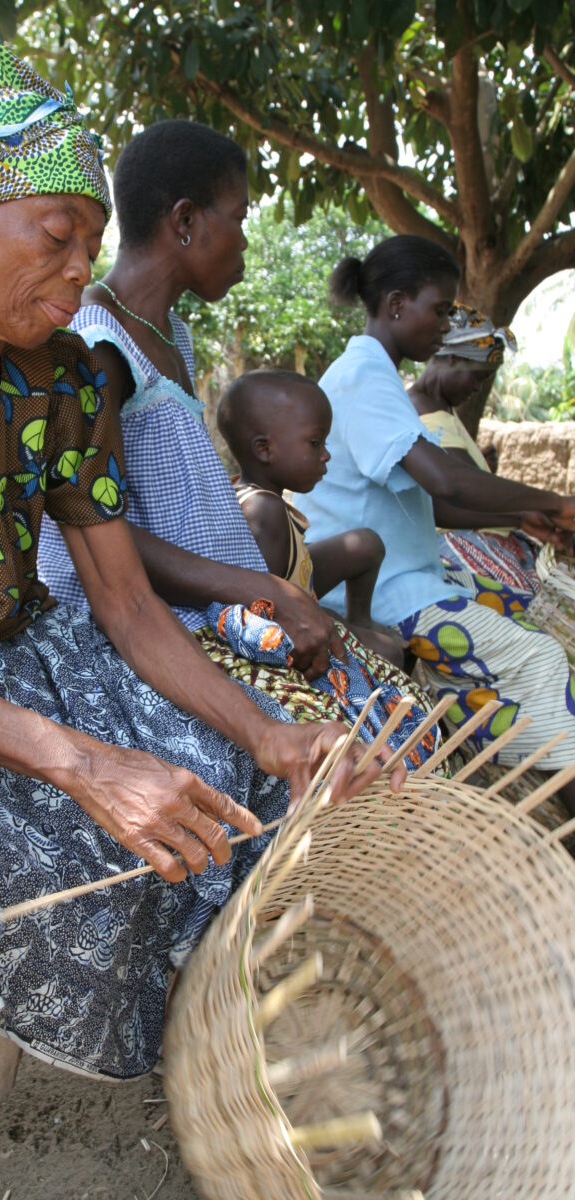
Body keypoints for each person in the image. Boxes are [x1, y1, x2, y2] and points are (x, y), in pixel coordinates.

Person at [0, 10, 395, 1198]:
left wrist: (267, 731)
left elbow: (123, 604)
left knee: (248, 774)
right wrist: (83, 764)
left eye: (86, 247)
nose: (76, 275)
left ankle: (223, 1066)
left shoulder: (62, 379)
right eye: (54, 238)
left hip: (15, 649)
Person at [37, 120, 438, 763]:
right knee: (352, 747)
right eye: (240, 217)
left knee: (393, 703)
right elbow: (95, 534)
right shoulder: (99, 344)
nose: (246, 240)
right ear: (187, 221)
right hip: (143, 630)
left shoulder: (171, 336)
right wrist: (270, 591)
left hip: (211, 611)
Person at [291, 234, 575, 808]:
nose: (446, 326)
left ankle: (514, 756)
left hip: (409, 577)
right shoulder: (366, 381)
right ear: (397, 305)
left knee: (526, 608)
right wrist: (555, 502)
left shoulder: (374, 377)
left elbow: (434, 503)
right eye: (440, 310)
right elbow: (445, 480)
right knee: (541, 658)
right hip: (385, 594)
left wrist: (523, 512)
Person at [216, 368, 405, 667]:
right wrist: (326, 621)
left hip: (299, 589)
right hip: (287, 624)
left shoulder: (256, 493)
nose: (326, 455)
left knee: (365, 544)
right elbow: (270, 612)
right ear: (264, 449)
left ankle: (360, 620)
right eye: (316, 442)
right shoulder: (265, 510)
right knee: (391, 653)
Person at [408, 302, 558, 592]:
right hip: (464, 545)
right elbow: (456, 496)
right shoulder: (425, 414)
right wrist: (533, 511)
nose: (478, 388)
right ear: (451, 359)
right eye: (477, 376)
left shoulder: (441, 412)